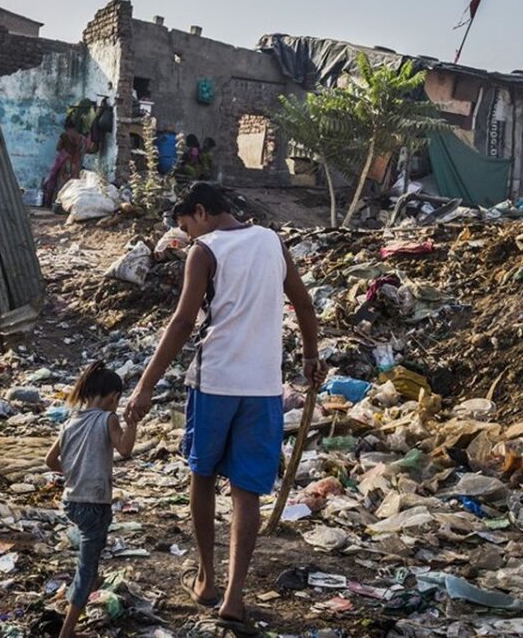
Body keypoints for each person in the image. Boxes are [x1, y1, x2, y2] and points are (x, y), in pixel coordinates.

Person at [125, 183, 323, 633]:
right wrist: (311, 357)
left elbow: (181, 322)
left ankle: (207, 580)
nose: (187, 236)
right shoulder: (272, 240)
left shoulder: (206, 250)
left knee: (202, 475)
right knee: (246, 491)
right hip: (263, 387)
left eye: (186, 226)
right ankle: (234, 597)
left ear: (201, 212)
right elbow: (304, 303)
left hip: (215, 382)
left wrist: (145, 386)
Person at [45, 361, 138, 638]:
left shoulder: (70, 421)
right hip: (94, 503)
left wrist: (74, 471)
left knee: (88, 557)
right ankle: (68, 632)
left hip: (72, 502)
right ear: (114, 396)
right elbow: (125, 449)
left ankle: (78, 594)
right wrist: (131, 423)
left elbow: (50, 461)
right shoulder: (107, 419)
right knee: (87, 568)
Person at [42, 119, 87, 208]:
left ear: (67, 128)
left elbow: (58, 148)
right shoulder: (83, 139)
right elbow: (85, 151)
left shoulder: (65, 136)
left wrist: (66, 155)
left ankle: (59, 204)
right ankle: (70, 204)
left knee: (61, 184)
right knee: (74, 184)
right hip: (76, 165)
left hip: (66, 164)